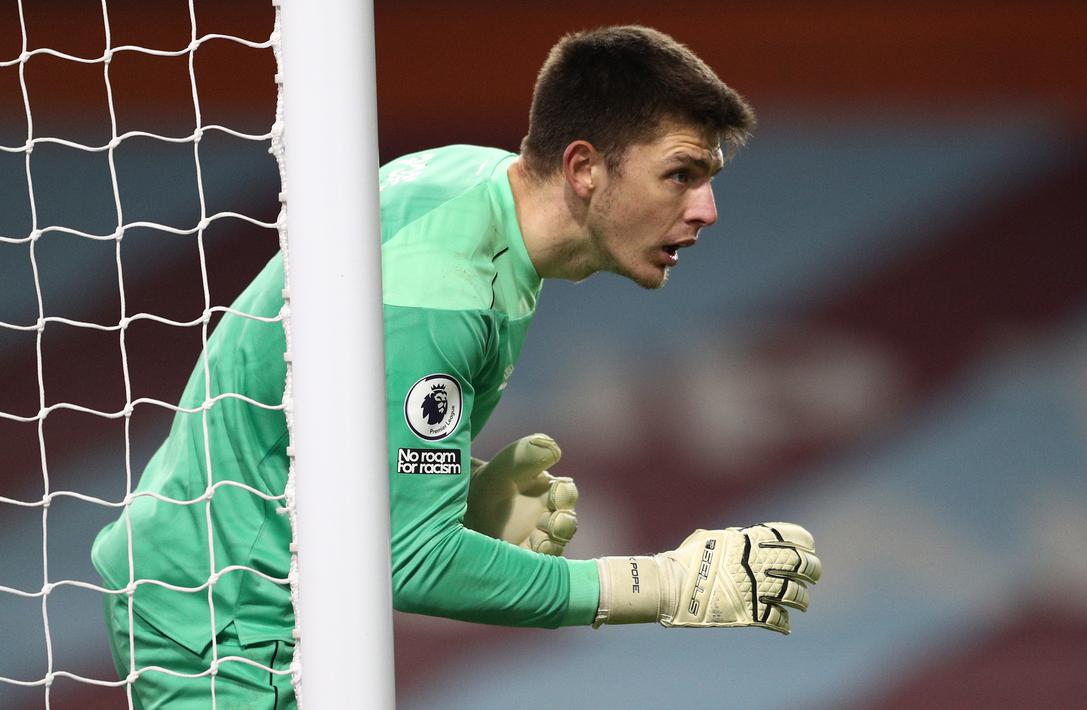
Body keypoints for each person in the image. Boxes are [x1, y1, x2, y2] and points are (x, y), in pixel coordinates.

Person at [91, 25, 821, 707]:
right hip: (226, 626)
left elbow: (330, 417)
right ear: (583, 168)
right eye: (680, 174)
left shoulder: (472, 188)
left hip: (252, 603)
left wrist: (455, 492)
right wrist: (662, 587)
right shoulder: (441, 292)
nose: (707, 208)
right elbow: (414, 564)